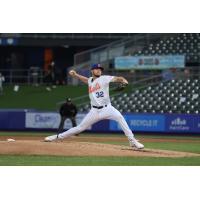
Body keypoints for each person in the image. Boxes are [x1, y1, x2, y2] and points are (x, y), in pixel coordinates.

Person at [45, 64, 144, 149]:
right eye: (97, 69)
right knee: (79, 128)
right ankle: (57, 137)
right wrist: (76, 75)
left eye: (100, 69)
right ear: (92, 71)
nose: (99, 70)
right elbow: (86, 80)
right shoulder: (90, 81)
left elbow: (119, 78)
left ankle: (132, 140)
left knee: (120, 118)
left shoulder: (104, 78)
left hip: (107, 108)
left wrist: (124, 81)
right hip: (94, 111)